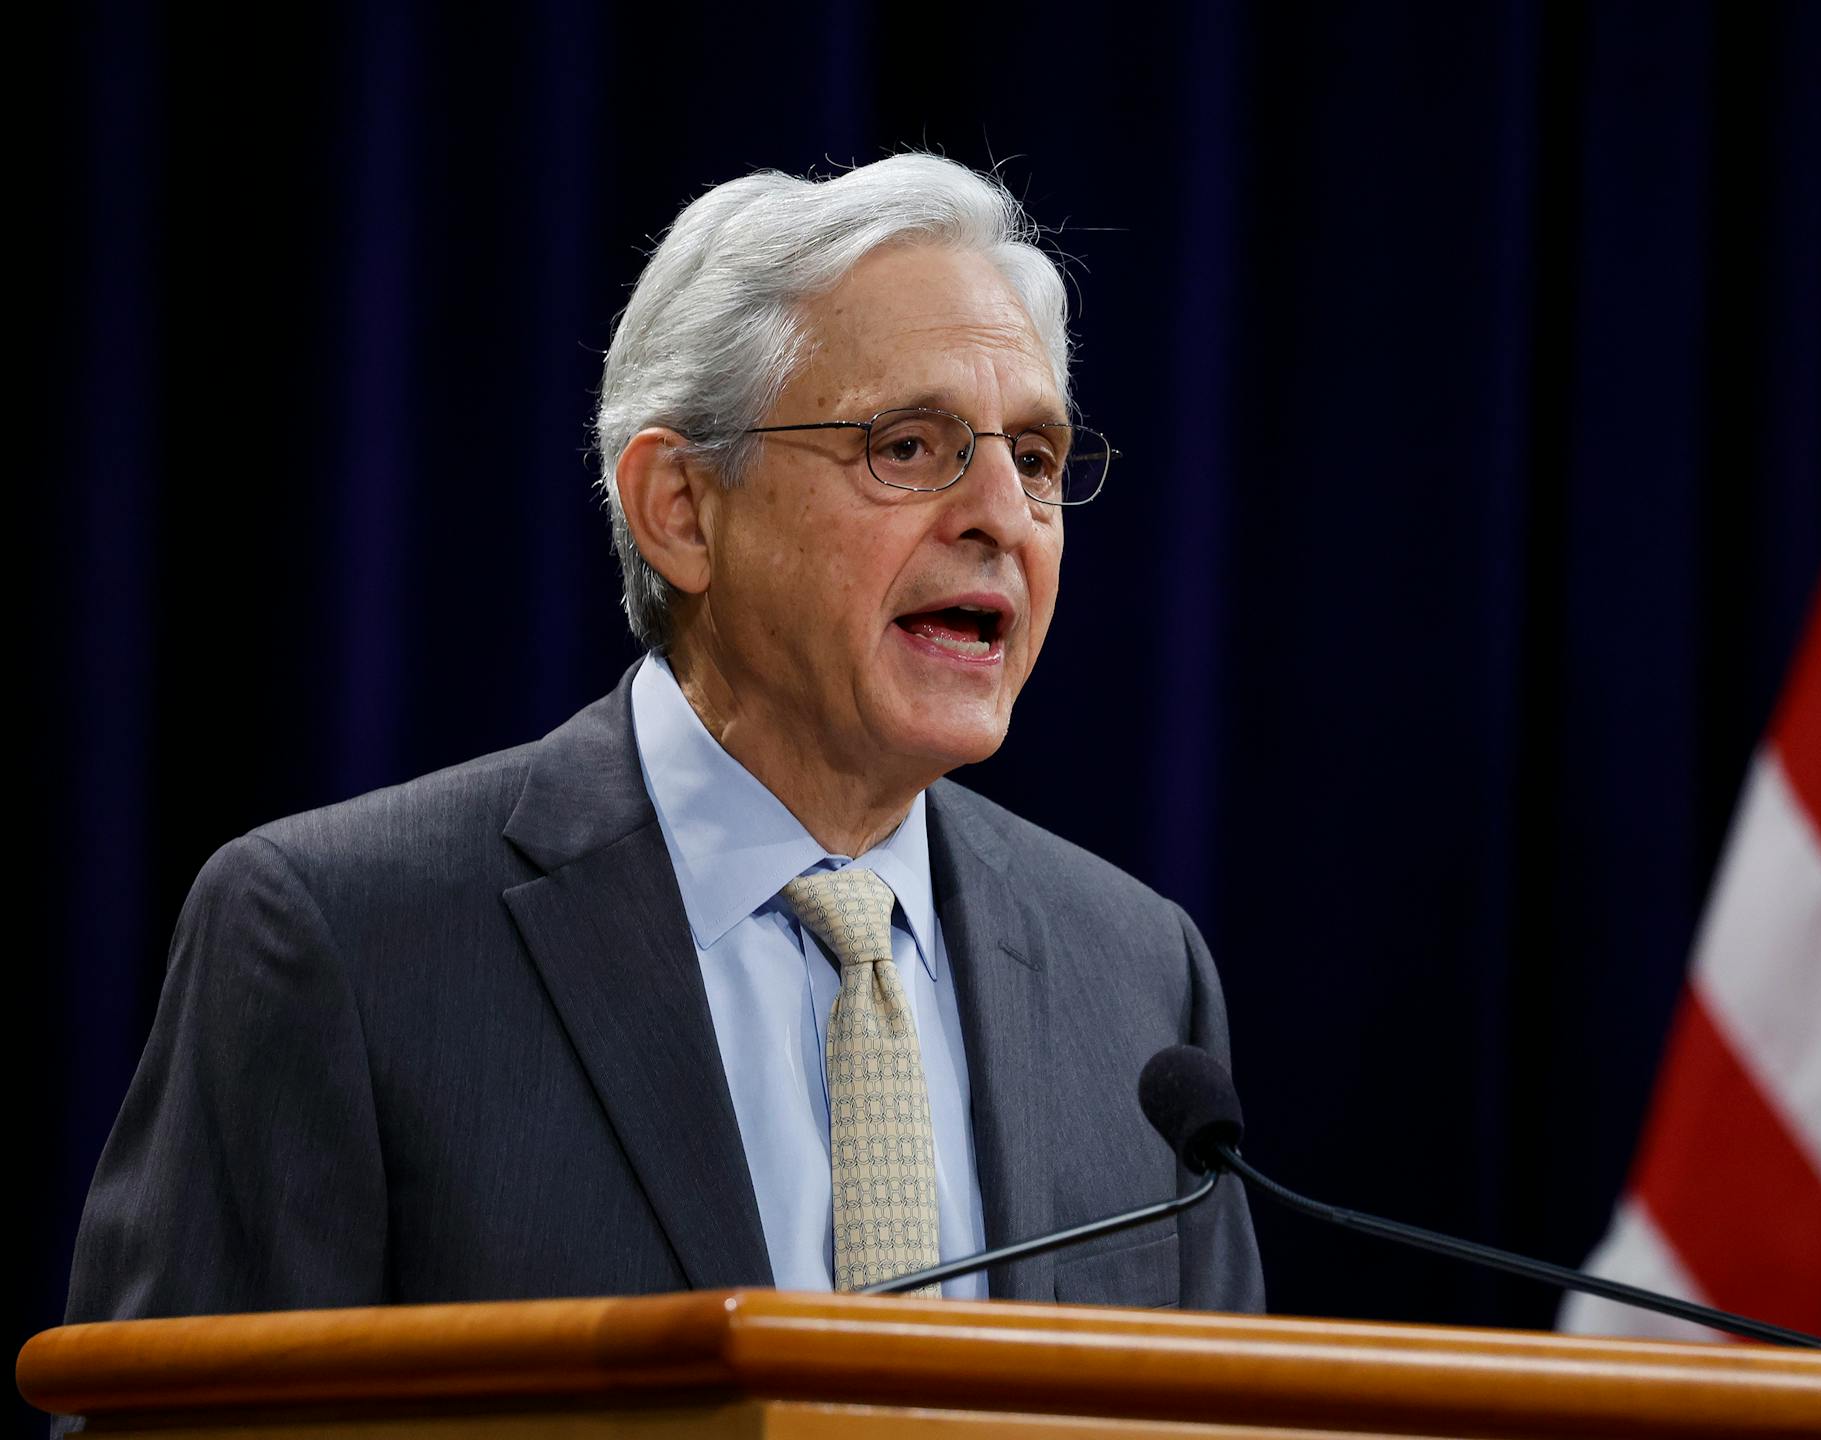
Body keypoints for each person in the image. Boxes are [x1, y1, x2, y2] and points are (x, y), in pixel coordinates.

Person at [65, 155, 1263, 1319]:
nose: (1005, 517)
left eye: (1039, 460)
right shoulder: (340, 940)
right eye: (908, 447)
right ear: (682, 510)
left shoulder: (1140, 976)